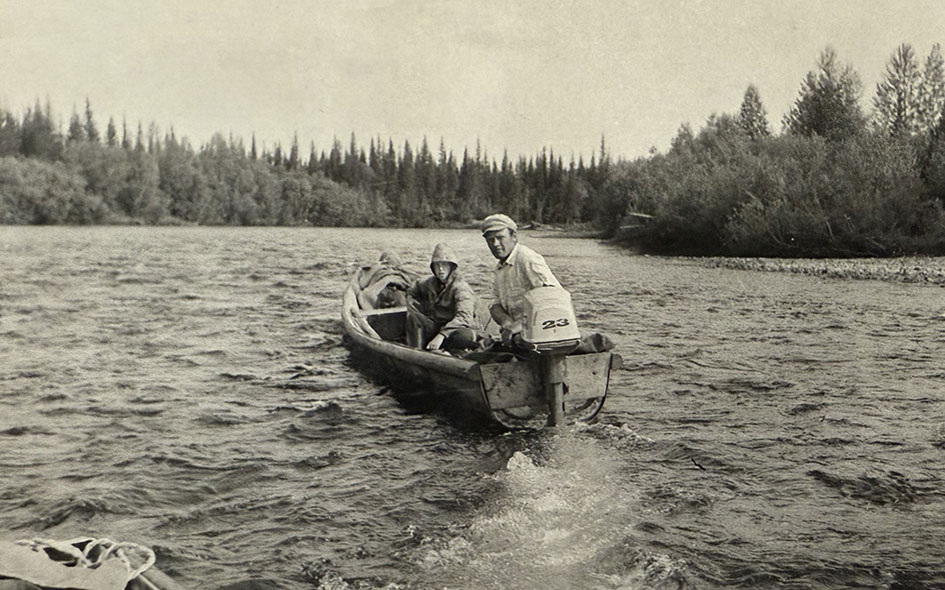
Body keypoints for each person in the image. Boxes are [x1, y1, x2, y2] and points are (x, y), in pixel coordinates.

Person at [480, 213, 561, 343]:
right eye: (491, 240)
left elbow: (554, 300)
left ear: (514, 236)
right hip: (518, 333)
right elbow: (494, 304)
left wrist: (517, 327)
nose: (495, 244)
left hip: (544, 330)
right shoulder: (500, 268)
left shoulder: (527, 258)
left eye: (500, 238)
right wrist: (507, 322)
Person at [405, 243, 479, 352]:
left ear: (451, 266)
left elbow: (464, 317)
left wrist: (441, 335)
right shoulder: (430, 282)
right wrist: (410, 298)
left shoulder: (461, 288)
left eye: (444, 265)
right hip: (436, 324)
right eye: (437, 265)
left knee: (464, 336)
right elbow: (414, 287)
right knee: (414, 318)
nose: (441, 269)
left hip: (454, 328)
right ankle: (417, 352)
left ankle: (448, 351)